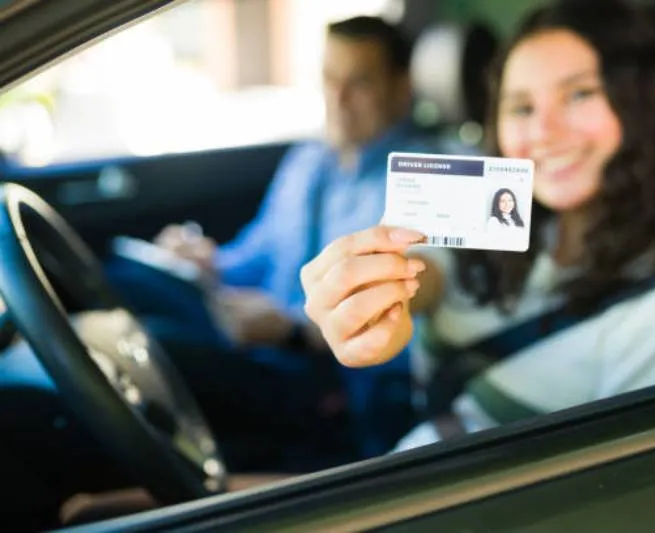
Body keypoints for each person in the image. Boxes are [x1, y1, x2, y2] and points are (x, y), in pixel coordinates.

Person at [301, 0, 655, 453]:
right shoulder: (497, 222)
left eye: (580, 94)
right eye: (522, 107)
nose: (544, 132)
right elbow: (425, 271)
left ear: (639, 105)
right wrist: (374, 296)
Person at [109, 15, 443, 466]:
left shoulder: (424, 178)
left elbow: (405, 295)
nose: (338, 99)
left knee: (149, 348)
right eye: (329, 79)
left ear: (401, 89)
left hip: (330, 382)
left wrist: (290, 330)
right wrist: (206, 259)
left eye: (359, 83)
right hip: (255, 341)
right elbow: (253, 254)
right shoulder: (306, 161)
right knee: (124, 281)